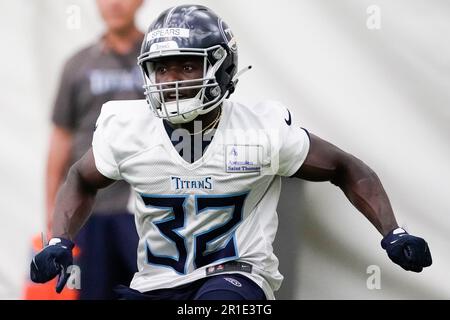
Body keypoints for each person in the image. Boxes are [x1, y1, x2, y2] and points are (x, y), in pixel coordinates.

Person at [30, 5, 432, 300]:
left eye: (186, 66)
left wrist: (391, 231)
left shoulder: (262, 133)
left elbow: (346, 167)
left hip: (237, 279)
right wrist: (60, 238)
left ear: (222, 69)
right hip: (156, 283)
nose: (171, 80)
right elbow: (80, 177)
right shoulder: (129, 130)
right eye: (163, 67)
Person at [43, 0, 144, 299]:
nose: (114, 4)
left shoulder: (161, 62)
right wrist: (53, 217)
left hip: (146, 211)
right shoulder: (78, 65)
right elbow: (61, 139)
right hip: (90, 211)